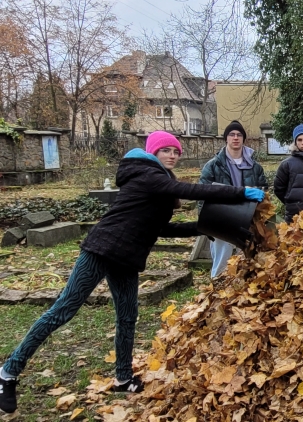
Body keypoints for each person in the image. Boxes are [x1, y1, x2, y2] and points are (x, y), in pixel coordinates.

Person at [0, 131, 265, 414]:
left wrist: (201, 228)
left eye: (176, 151)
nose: (173, 156)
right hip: (101, 251)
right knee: (63, 310)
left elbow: (160, 229)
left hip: (126, 259)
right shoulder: (147, 175)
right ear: (153, 153)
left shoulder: (159, 182)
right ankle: (8, 372)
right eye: (166, 151)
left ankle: (123, 378)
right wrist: (240, 192)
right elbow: (192, 191)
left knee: (127, 317)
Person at [200, 120, 268, 278]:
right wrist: (206, 225)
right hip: (221, 219)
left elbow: (264, 192)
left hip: (247, 219)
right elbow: (202, 193)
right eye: (231, 134)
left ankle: (241, 298)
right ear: (226, 138)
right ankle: (215, 294)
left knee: (246, 262)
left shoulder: (254, 166)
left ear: (243, 138)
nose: (235, 137)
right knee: (221, 264)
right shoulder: (213, 166)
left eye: (239, 134)